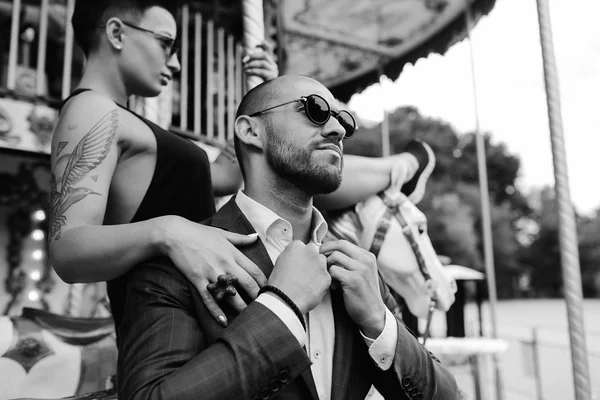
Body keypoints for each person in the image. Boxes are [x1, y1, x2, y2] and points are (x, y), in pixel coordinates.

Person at [49, 0, 429, 329]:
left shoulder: (130, 125)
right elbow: (68, 250)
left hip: (207, 315)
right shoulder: (93, 109)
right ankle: (403, 168)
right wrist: (169, 231)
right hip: (169, 321)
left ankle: (401, 168)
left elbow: (232, 174)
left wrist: (272, 98)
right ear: (116, 33)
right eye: (166, 43)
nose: (176, 62)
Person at [116, 75, 459, 400]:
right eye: (315, 109)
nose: (338, 129)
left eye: (343, 119)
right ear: (251, 131)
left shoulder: (360, 271)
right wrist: (281, 308)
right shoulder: (174, 265)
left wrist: (380, 324)